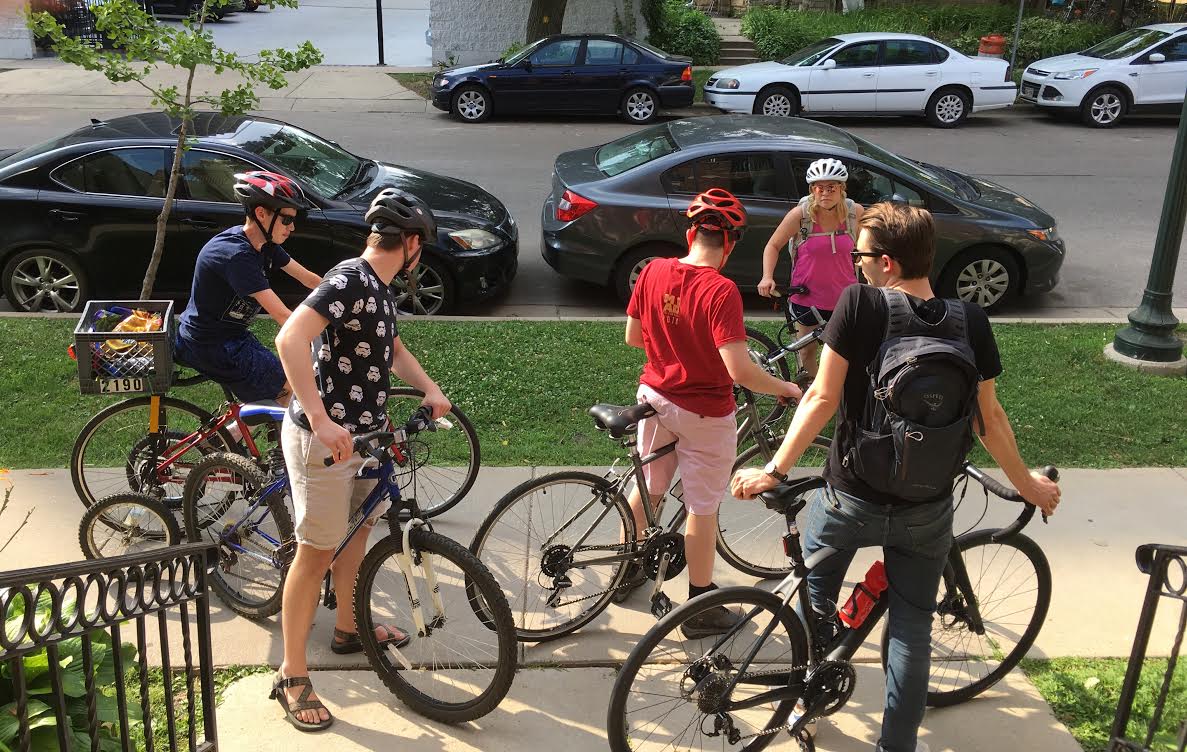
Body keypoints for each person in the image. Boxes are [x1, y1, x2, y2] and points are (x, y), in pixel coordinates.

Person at [731, 202, 1061, 752]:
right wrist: (1028, 483)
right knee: (911, 633)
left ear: (885, 262)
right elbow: (989, 420)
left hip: (850, 495)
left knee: (817, 599)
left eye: (860, 255)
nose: (856, 264)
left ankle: (809, 698)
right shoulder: (970, 321)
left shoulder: (858, 304)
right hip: (925, 506)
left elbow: (821, 397)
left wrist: (773, 469)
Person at [270, 188, 452, 732]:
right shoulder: (350, 279)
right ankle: (292, 674)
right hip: (324, 443)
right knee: (316, 553)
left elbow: (391, 350)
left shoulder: (379, 288)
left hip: (367, 440)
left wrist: (430, 388)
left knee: (357, 535)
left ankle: (349, 628)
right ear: (413, 243)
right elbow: (289, 338)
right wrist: (321, 419)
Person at [617, 187, 802, 639]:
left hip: (653, 400)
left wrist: (674, 348)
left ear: (689, 232)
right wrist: (786, 387)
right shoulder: (721, 292)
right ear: (731, 244)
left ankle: (627, 570)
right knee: (702, 508)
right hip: (704, 414)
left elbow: (633, 338)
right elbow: (739, 370)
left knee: (651, 486)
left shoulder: (654, 270)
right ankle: (699, 605)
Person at [174, 171, 322, 406]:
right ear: (262, 214)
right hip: (209, 344)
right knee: (291, 386)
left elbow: (308, 279)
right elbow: (282, 315)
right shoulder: (236, 255)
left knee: (287, 386)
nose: (292, 227)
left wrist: (343, 296)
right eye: (286, 219)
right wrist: (322, 333)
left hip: (230, 336)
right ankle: (225, 439)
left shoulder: (264, 245)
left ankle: (232, 435)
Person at [756, 158, 864, 384]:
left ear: (842, 189)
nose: (825, 193)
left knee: (845, 354)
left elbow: (866, 250)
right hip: (807, 299)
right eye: (819, 188)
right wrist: (767, 276)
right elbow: (772, 246)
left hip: (845, 299)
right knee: (806, 353)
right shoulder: (801, 216)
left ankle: (842, 396)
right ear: (812, 190)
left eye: (831, 187)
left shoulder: (855, 214)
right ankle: (813, 394)